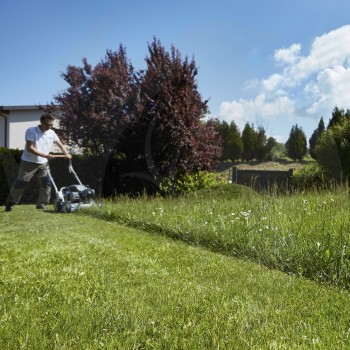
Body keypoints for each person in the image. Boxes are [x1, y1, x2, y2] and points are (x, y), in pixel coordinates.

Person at [5, 113, 72, 211]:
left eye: (51, 125)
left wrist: (66, 153)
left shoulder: (51, 133)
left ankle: (42, 204)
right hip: (28, 162)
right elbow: (30, 148)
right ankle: (10, 203)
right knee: (21, 183)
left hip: (43, 163)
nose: (49, 127)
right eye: (47, 124)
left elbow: (60, 144)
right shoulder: (31, 131)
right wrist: (46, 155)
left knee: (46, 183)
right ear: (41, 122)